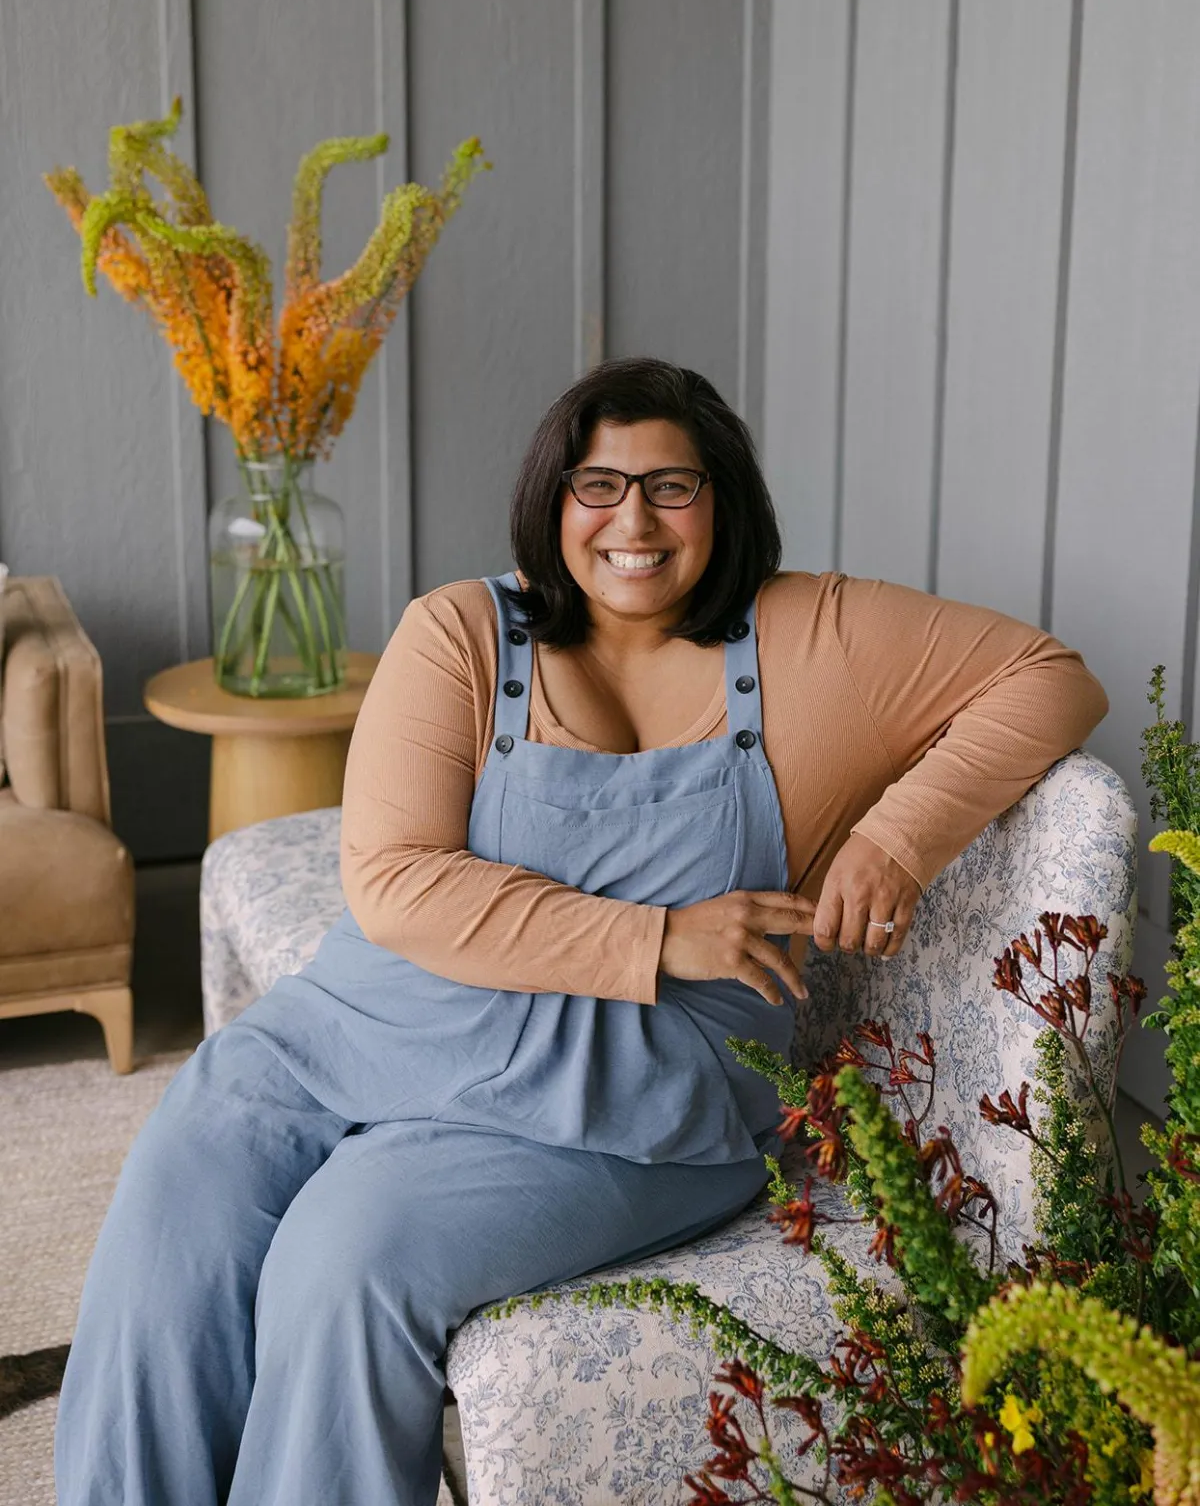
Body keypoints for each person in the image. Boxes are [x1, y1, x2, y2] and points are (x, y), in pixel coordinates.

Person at [55, 356, 1108, 1505]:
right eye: (597, 484)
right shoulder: (460, 632)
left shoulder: (813, 637)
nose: (633, 522)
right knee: (175, 1206)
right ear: (553, 499)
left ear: (725, 499)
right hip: (369, 1024)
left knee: (343, 1258)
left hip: (629, 1096)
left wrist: (894, 838)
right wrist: (658, 934)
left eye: (672, 486)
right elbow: (397, 881)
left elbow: (1045, 676)